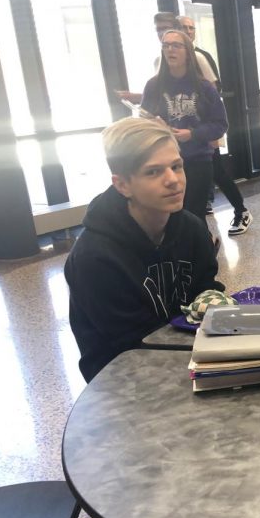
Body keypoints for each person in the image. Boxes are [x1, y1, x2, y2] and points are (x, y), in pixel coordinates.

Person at [65, 117, 223, 382]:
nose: (173, 180)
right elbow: (130, 344)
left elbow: (206, 291)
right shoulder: (93, 256)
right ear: (122, 184)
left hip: (189, 360)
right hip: (122, 381)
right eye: (153, 172)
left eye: (176, 166)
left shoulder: (192, 228)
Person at [140, 29, 228, 228]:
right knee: (171, 217)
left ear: (187, 52)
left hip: (197, 160)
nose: (170, 50)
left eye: (176, 45)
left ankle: (202, 255)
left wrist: (193, 134)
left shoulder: (204, 87)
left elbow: (220, 125)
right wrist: (156, 127)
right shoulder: (153, 86)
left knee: (194, 217)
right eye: (166, 45)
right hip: (164, 162)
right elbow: (143, 121)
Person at [177, 15, 252, 236]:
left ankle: (241, 210)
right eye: (184, 27)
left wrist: (206, 132)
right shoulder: (162, 65)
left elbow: (212, 91)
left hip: (202, 133)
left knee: (217, 171)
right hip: (178, 139)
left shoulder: (199, 58)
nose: (189, 31)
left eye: (191, 28)